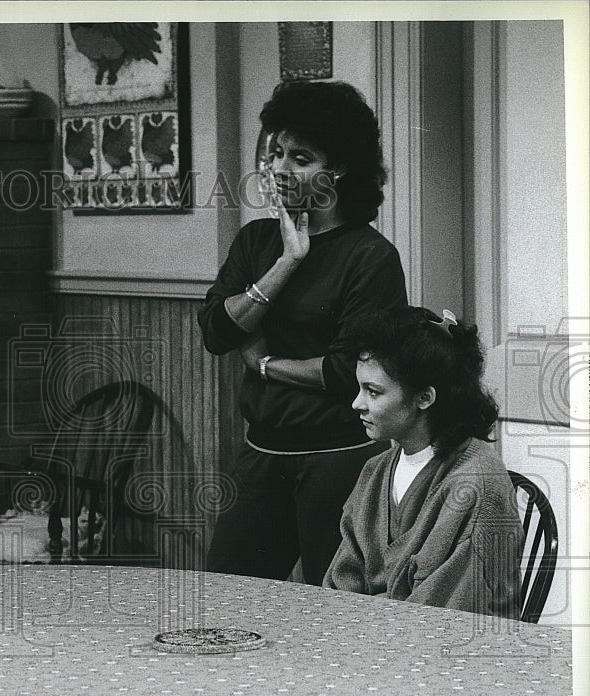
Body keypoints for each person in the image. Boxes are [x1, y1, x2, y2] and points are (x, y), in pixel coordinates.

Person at [198, 80, 407, 584]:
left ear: (339, 170)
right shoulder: (257, 241)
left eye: (300, 157)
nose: (278, 169)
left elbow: (344, 373)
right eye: (276, 154)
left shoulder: (370, 257)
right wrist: (288, 262)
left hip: (341, 458)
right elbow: (215, 332)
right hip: (264, 449)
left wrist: (266, 363)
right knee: (228, 588)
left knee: (333, 602)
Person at [324, 306, 522, 617]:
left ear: (424, 398)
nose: (356, 403)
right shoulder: (375, 471)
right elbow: (339, 585)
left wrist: (367, 613)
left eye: (373, 392)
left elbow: (444, 616)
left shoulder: (477, 486)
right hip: (370, 642)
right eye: (359, 388)